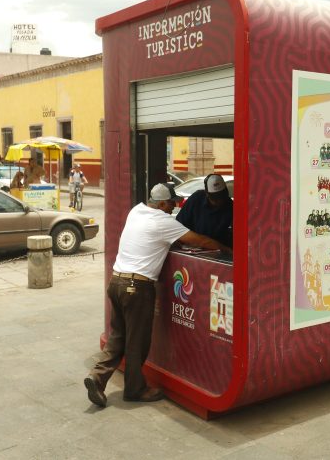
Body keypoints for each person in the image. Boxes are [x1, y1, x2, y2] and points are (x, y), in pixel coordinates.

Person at [84, 183, 232, 408]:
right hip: (137, 287)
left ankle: (97, 376)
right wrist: (229, 250)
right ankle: (135, 389)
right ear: (162, 203)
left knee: (118, 336)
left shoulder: (136, 211)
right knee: (137, 341)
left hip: (116, 282)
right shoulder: (163, 222)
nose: (173, 208)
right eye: (171, 203)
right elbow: (201, 241)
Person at [175, 173, 233, 248]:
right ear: (207, 194)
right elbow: (179, 227)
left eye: (221, 197)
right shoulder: (196, 200)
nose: (218, 201)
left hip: (219, 251)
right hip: (193, 248)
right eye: (214, 199)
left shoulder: (230, 206)